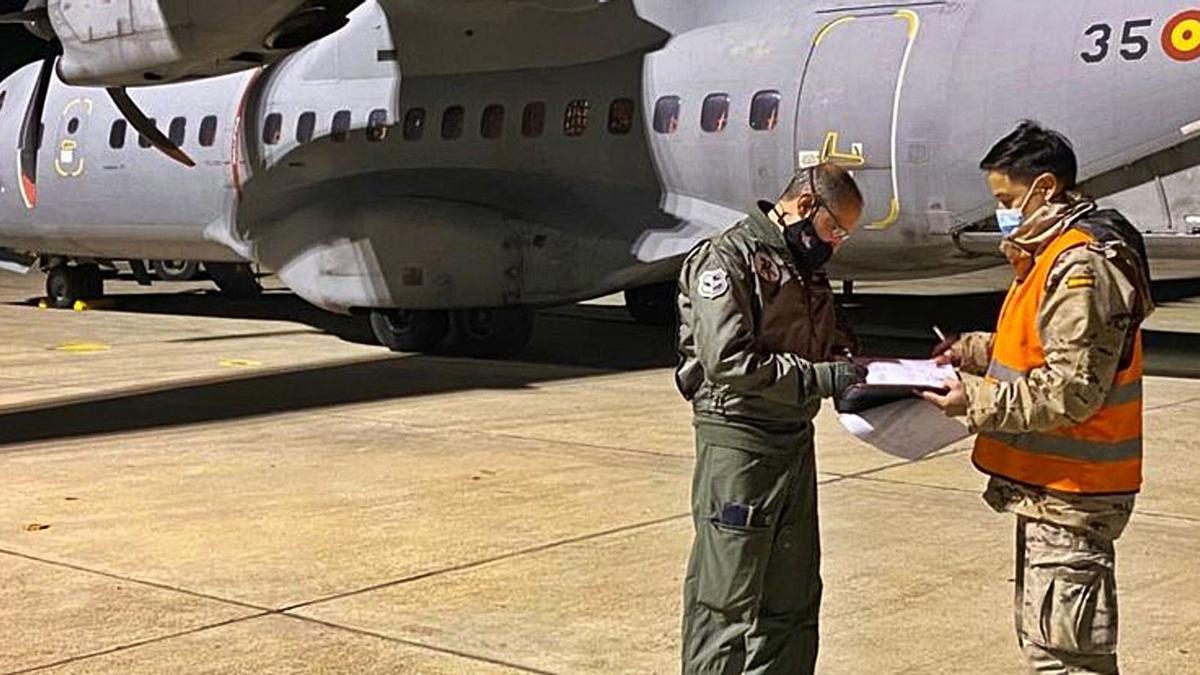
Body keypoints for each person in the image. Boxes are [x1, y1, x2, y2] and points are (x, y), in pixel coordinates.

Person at [922, 121, 1154, 674]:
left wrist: (973, 402)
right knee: (1048, 648)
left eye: (1007, 199)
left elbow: (1073, 388)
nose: (1004, 211)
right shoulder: (1050, 252)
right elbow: (1036, 346)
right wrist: (971, 351)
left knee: (1067, 661)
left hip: (1074, 497)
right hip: (1053, 493)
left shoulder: (1081, 264)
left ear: (1045, 188)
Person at [676, 162, 866, 674]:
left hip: (790, 440)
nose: (838, 243)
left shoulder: (802, 267)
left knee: (793, 597)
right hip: (740, 443)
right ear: (806, 206)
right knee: (726, 600)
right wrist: (825, 379)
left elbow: (824, 341)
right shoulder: (727, 258)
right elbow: (729, 362)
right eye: (836, 230)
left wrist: (860, 364)